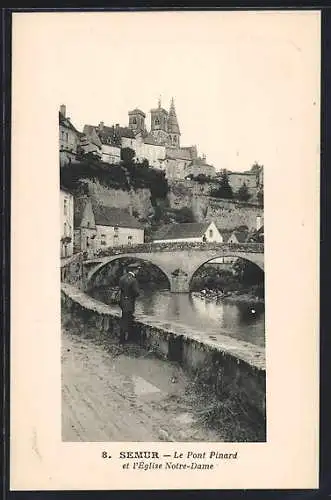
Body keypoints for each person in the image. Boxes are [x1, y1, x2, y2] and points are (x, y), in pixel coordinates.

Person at [118, 264, 140, 344]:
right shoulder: (133, 280)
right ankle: (123, 340)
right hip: (129, 302)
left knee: (125, 318)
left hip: (122, 301)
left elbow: (121, 289)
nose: (138, 271)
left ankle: (124, 338)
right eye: (137, 269)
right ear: (135, 270)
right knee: (127, 320)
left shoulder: (122, 278)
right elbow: (136, 292)